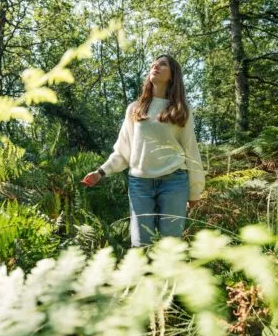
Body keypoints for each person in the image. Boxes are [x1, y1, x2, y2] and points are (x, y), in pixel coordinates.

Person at [81, 54, 205, 247]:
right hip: (140, 184)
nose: (155, 66)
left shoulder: (181, 109)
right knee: (140, 244)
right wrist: (101, 172)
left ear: (173, 75)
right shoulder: (135, 109)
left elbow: (191, 150)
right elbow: (123, 152)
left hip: (174, 181)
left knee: (170, 246)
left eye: (162, 64)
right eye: (153, 64)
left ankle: (167, 279)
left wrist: (195, 191)